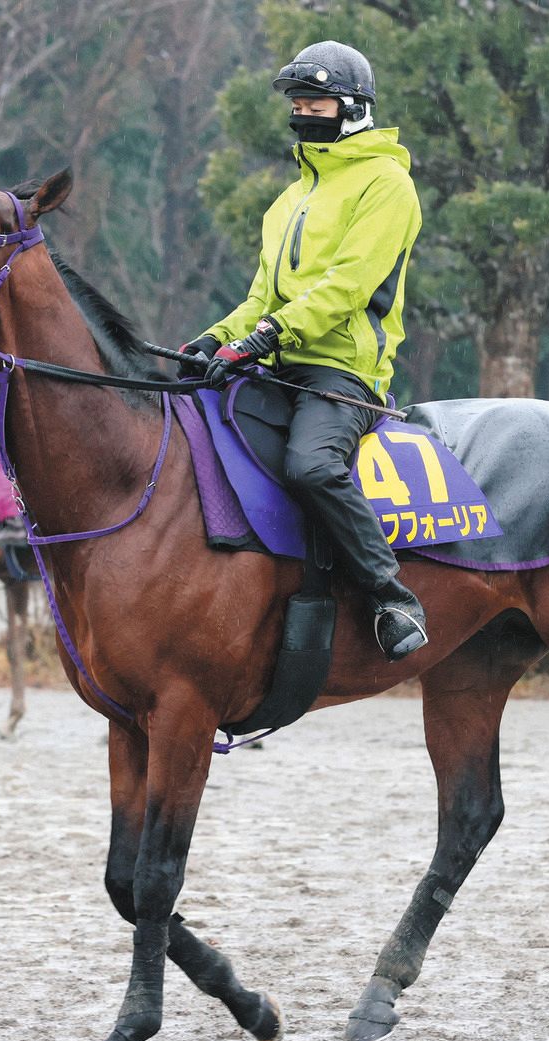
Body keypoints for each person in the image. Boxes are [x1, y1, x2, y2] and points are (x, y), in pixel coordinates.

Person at [182, 41, 427, 661]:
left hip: (345, 371)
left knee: (312, 466)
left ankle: (390, 595)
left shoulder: (388, 184)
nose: (302, 112)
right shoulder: (288, 202)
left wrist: (264, 338)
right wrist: (215, 339)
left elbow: (346, 286)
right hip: (281, 364)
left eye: (314, 100)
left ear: (352, 108)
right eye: (296, 102)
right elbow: (261, 296)